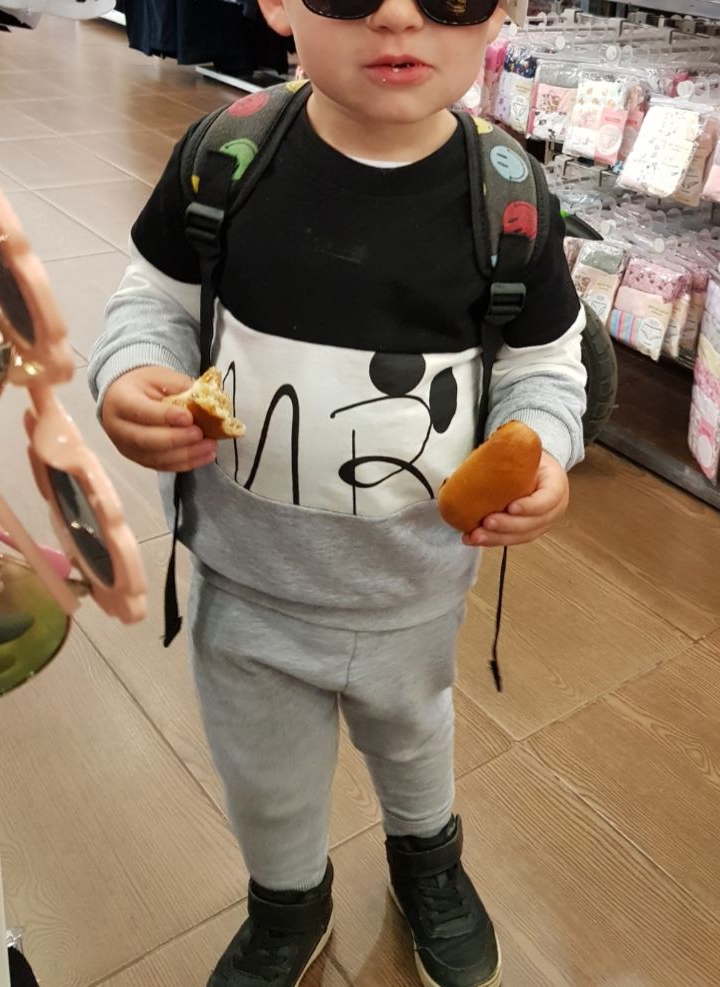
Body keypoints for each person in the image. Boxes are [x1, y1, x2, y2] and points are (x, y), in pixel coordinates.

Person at [87, 0, 586, 983]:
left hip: (414, 587)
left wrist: (547, 454)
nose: (397, 14)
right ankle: (286, 898)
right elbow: (153, 302)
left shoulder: (510, 198)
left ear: (505, 10)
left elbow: (543, 365)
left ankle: (427, 857)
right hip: (247, 581)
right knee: (263, 773)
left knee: (415, 740)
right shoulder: (225, 159)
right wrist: (131, 375)